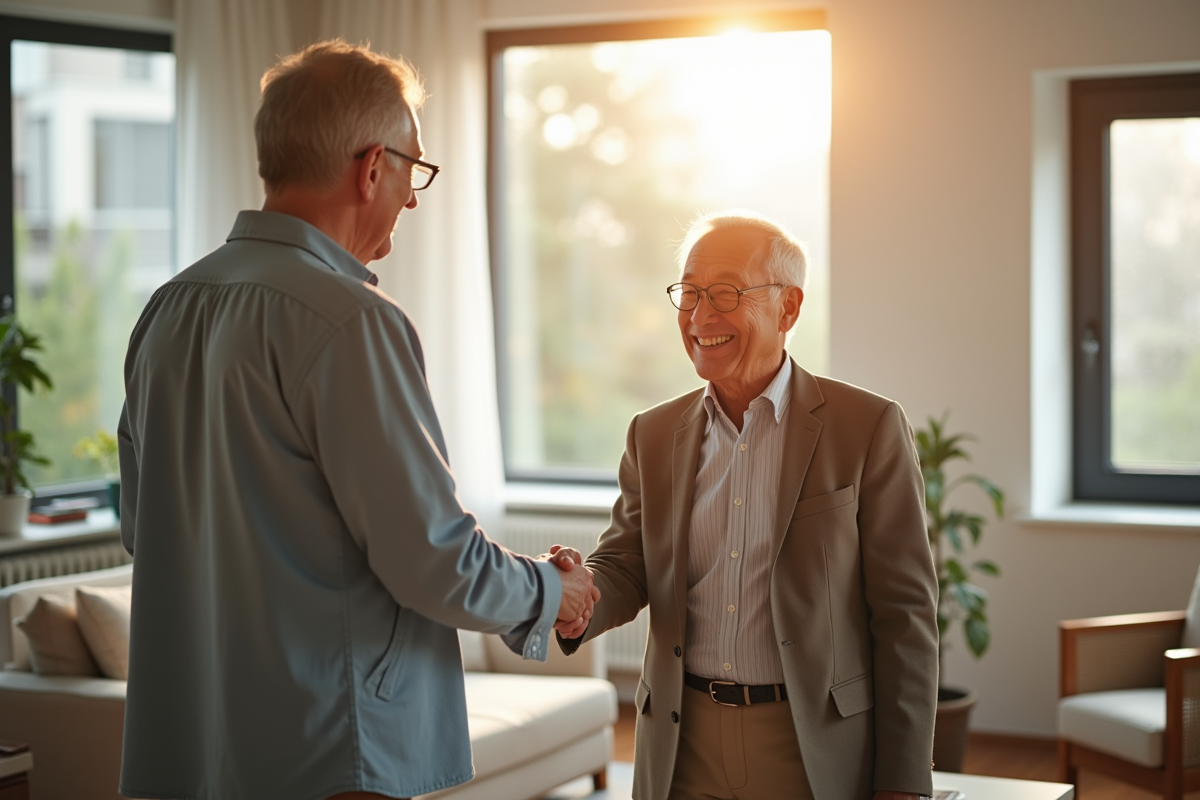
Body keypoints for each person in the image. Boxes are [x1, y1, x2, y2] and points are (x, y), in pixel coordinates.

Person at [116, 40, 596, 800]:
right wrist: (550, 591)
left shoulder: (166, 310)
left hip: (195, 747)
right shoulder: (350, 322)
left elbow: (146, 529)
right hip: (332, 750)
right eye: (415, 172)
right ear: (374, 167)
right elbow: (433, 559)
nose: (412, 198)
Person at [551, 211, 938, 800]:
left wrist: (905, 782)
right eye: (689, 293)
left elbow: (905, 614)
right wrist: (578, 599)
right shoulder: (651, 434)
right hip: (683, 742)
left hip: (810, 744)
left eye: (726, 292)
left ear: (788, 308)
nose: (701, 315)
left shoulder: (868, 427)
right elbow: (627, 565)